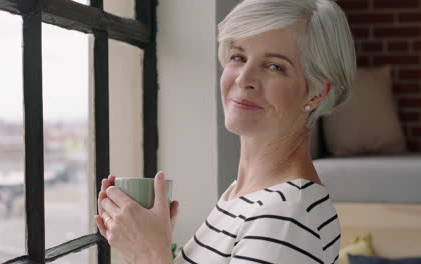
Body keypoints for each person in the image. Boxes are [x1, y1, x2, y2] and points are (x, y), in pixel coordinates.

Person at [94, 0, 356, 263]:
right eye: (238, 57)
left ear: (317, 92)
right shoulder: (244, 196)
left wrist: (150, 254)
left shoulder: (286, 215)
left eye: (274, 66)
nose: (243, 78)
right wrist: (152, 240)